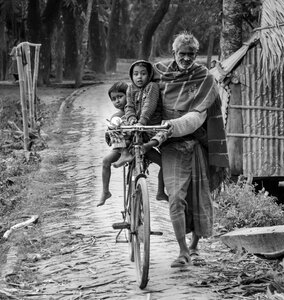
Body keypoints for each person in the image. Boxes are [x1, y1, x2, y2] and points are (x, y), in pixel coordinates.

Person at [148, 31, 229, 268]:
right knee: (176, 199)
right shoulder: (159, 74)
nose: (186, 58)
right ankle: (182, 251)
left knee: (199, 198)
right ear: (174, 52)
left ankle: (194, 247)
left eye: (191, 54)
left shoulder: (204, 77)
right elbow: (142, 92)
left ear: (196, 55)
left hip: (196, 145)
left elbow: (195, 117)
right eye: (182, 53)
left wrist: (172, 126)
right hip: (171, 147)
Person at [114, 59, 169, 201]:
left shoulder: (152, 87)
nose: (139, 77)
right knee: (117, 126)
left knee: (165, 160)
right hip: (136, 127)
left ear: (149, 75)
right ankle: (124, 153)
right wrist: (132, 119)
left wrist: (141, 121)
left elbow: (149, 106)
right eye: (136, 74)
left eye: (143, 74)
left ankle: (160, 191)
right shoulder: (130, 89)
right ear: (131, 76)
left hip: (150, 128)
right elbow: (129, 106)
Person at [97, 81, 129, 207]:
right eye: (113, 99)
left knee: (162, 161)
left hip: (138, 145)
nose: (117, 101)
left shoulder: (135, 110)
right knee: (106, 161)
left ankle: (160, 190)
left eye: (120, 97)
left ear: (129, 95)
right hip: (121, 149)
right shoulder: (116, 115)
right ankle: (105, 191)